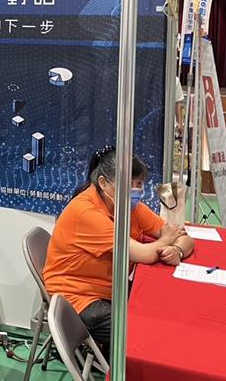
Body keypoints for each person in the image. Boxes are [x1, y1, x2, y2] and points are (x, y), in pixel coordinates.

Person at [41, 146, 193, 358]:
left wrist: (177, 249)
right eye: (128, 184)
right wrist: (166, 240)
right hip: (78, 299)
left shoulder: (129, 206)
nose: (135, 190)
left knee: (163, 307)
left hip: (110, 289)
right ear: (104, 183)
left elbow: (185, 238)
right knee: (147, 332)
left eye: (138, 184)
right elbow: (146, 254)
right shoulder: (86, 213)